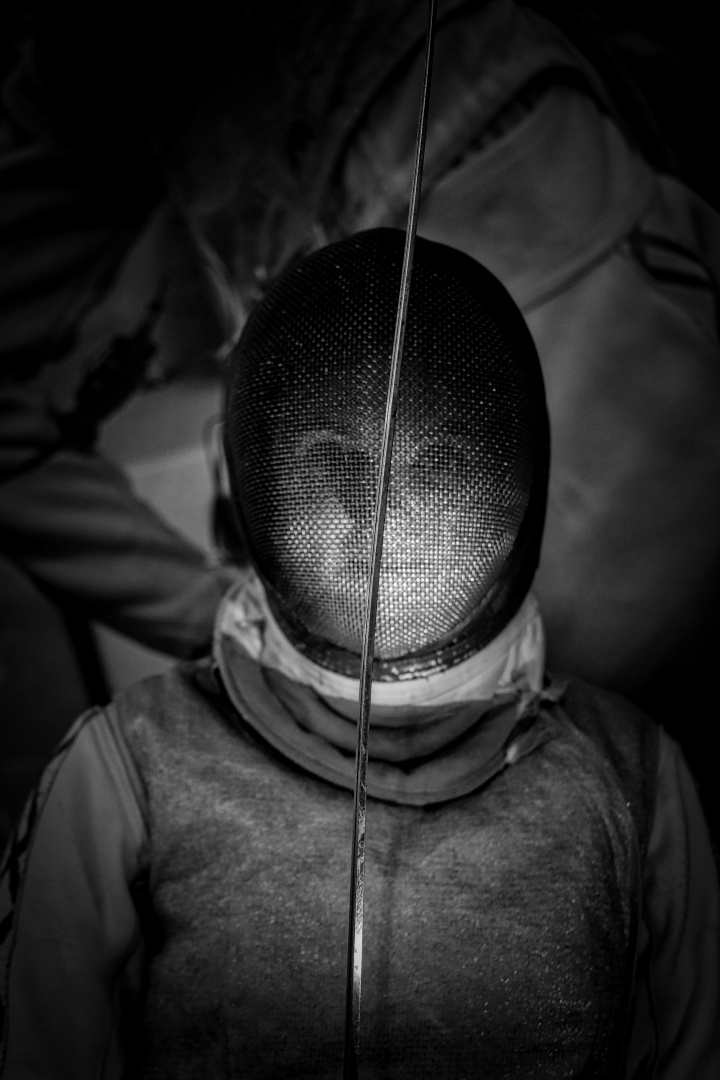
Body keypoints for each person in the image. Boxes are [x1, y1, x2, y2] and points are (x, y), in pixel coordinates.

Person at [1, 231, 717, 1079]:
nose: (385, 517)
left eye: (440, 467)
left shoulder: (634, 780)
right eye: (333, 467)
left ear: (511, 484)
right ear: (259, 487)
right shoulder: (127, 771)